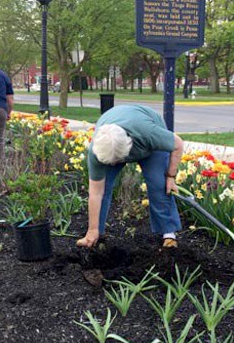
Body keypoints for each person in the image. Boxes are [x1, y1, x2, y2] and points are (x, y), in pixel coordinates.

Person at [76, 104, 184, 249]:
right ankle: (96, 234)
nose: (114, 164)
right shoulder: (97, 151)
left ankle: (168, 234)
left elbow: (178, 144)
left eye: (117, 160)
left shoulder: (148, 133)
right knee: (104, 186)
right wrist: (91, 229)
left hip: (147, 141)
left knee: (158, 184)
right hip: (113, 139)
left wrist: (170, 177)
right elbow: (95, 193)